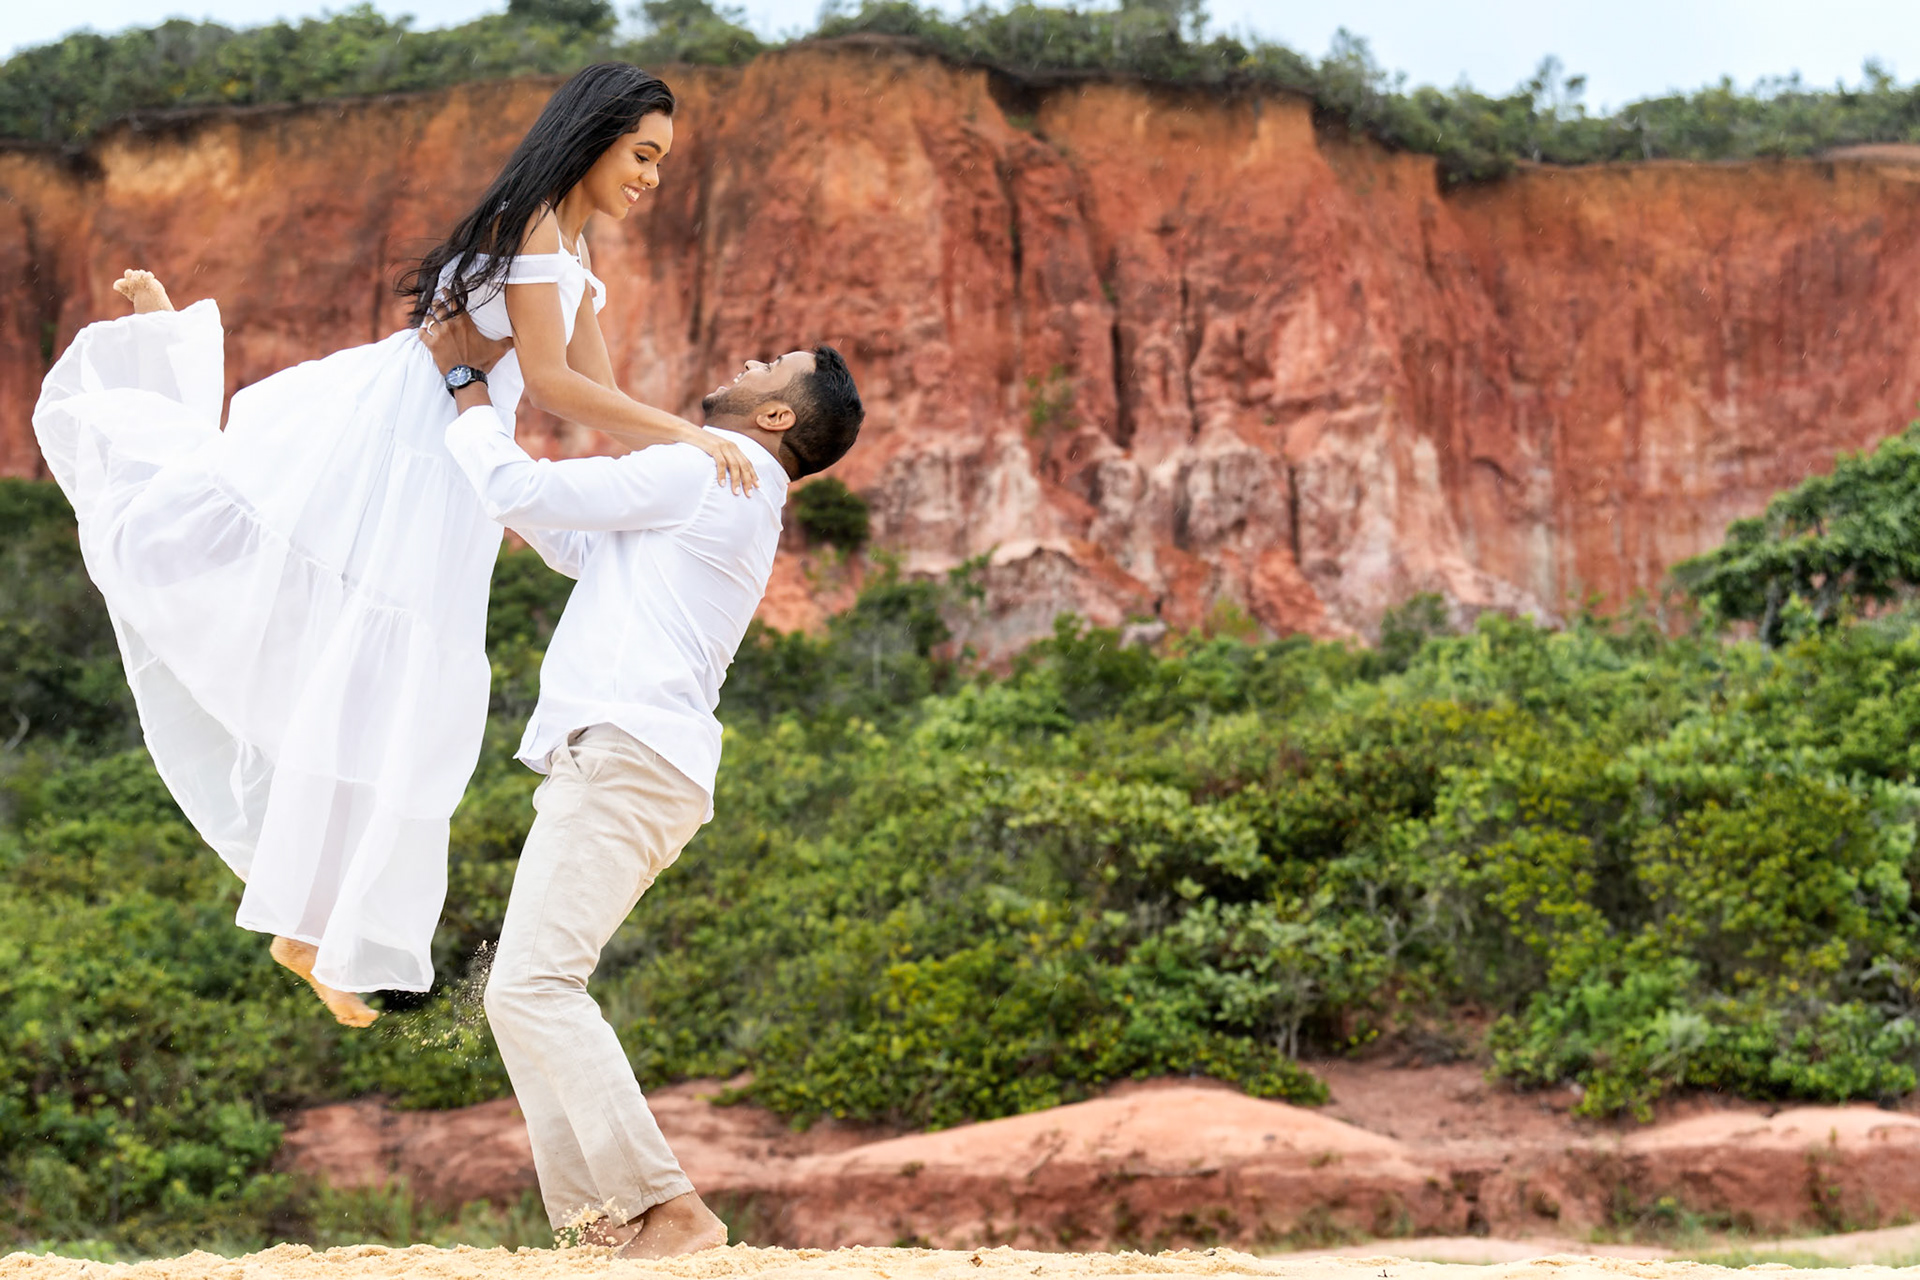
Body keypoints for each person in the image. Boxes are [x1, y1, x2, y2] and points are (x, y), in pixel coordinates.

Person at [29, 65, 757, 1027]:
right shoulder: (536, 230)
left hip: (443, 459)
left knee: (380, 689)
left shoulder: (568, 250)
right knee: (229, 554)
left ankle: (314, 926)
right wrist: (694, 435)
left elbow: (598, 396)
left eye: (660, 161)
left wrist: (682, 449)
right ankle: (161, 347)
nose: (652, 177)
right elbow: (553, 386)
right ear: (595, 137)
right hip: (400, 433)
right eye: (643, 153)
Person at [414, 305, 862, 1258]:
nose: (747, 361)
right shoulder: (724, 491)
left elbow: (517, 482)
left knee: (534, 987)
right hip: (635, 761)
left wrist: (463, 389)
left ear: (777, 418)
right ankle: (606, 1224)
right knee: (524, 991)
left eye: (768, 366)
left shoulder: (705, 467)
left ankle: (668, 1212)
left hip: (625, 754)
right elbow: (565, 535)